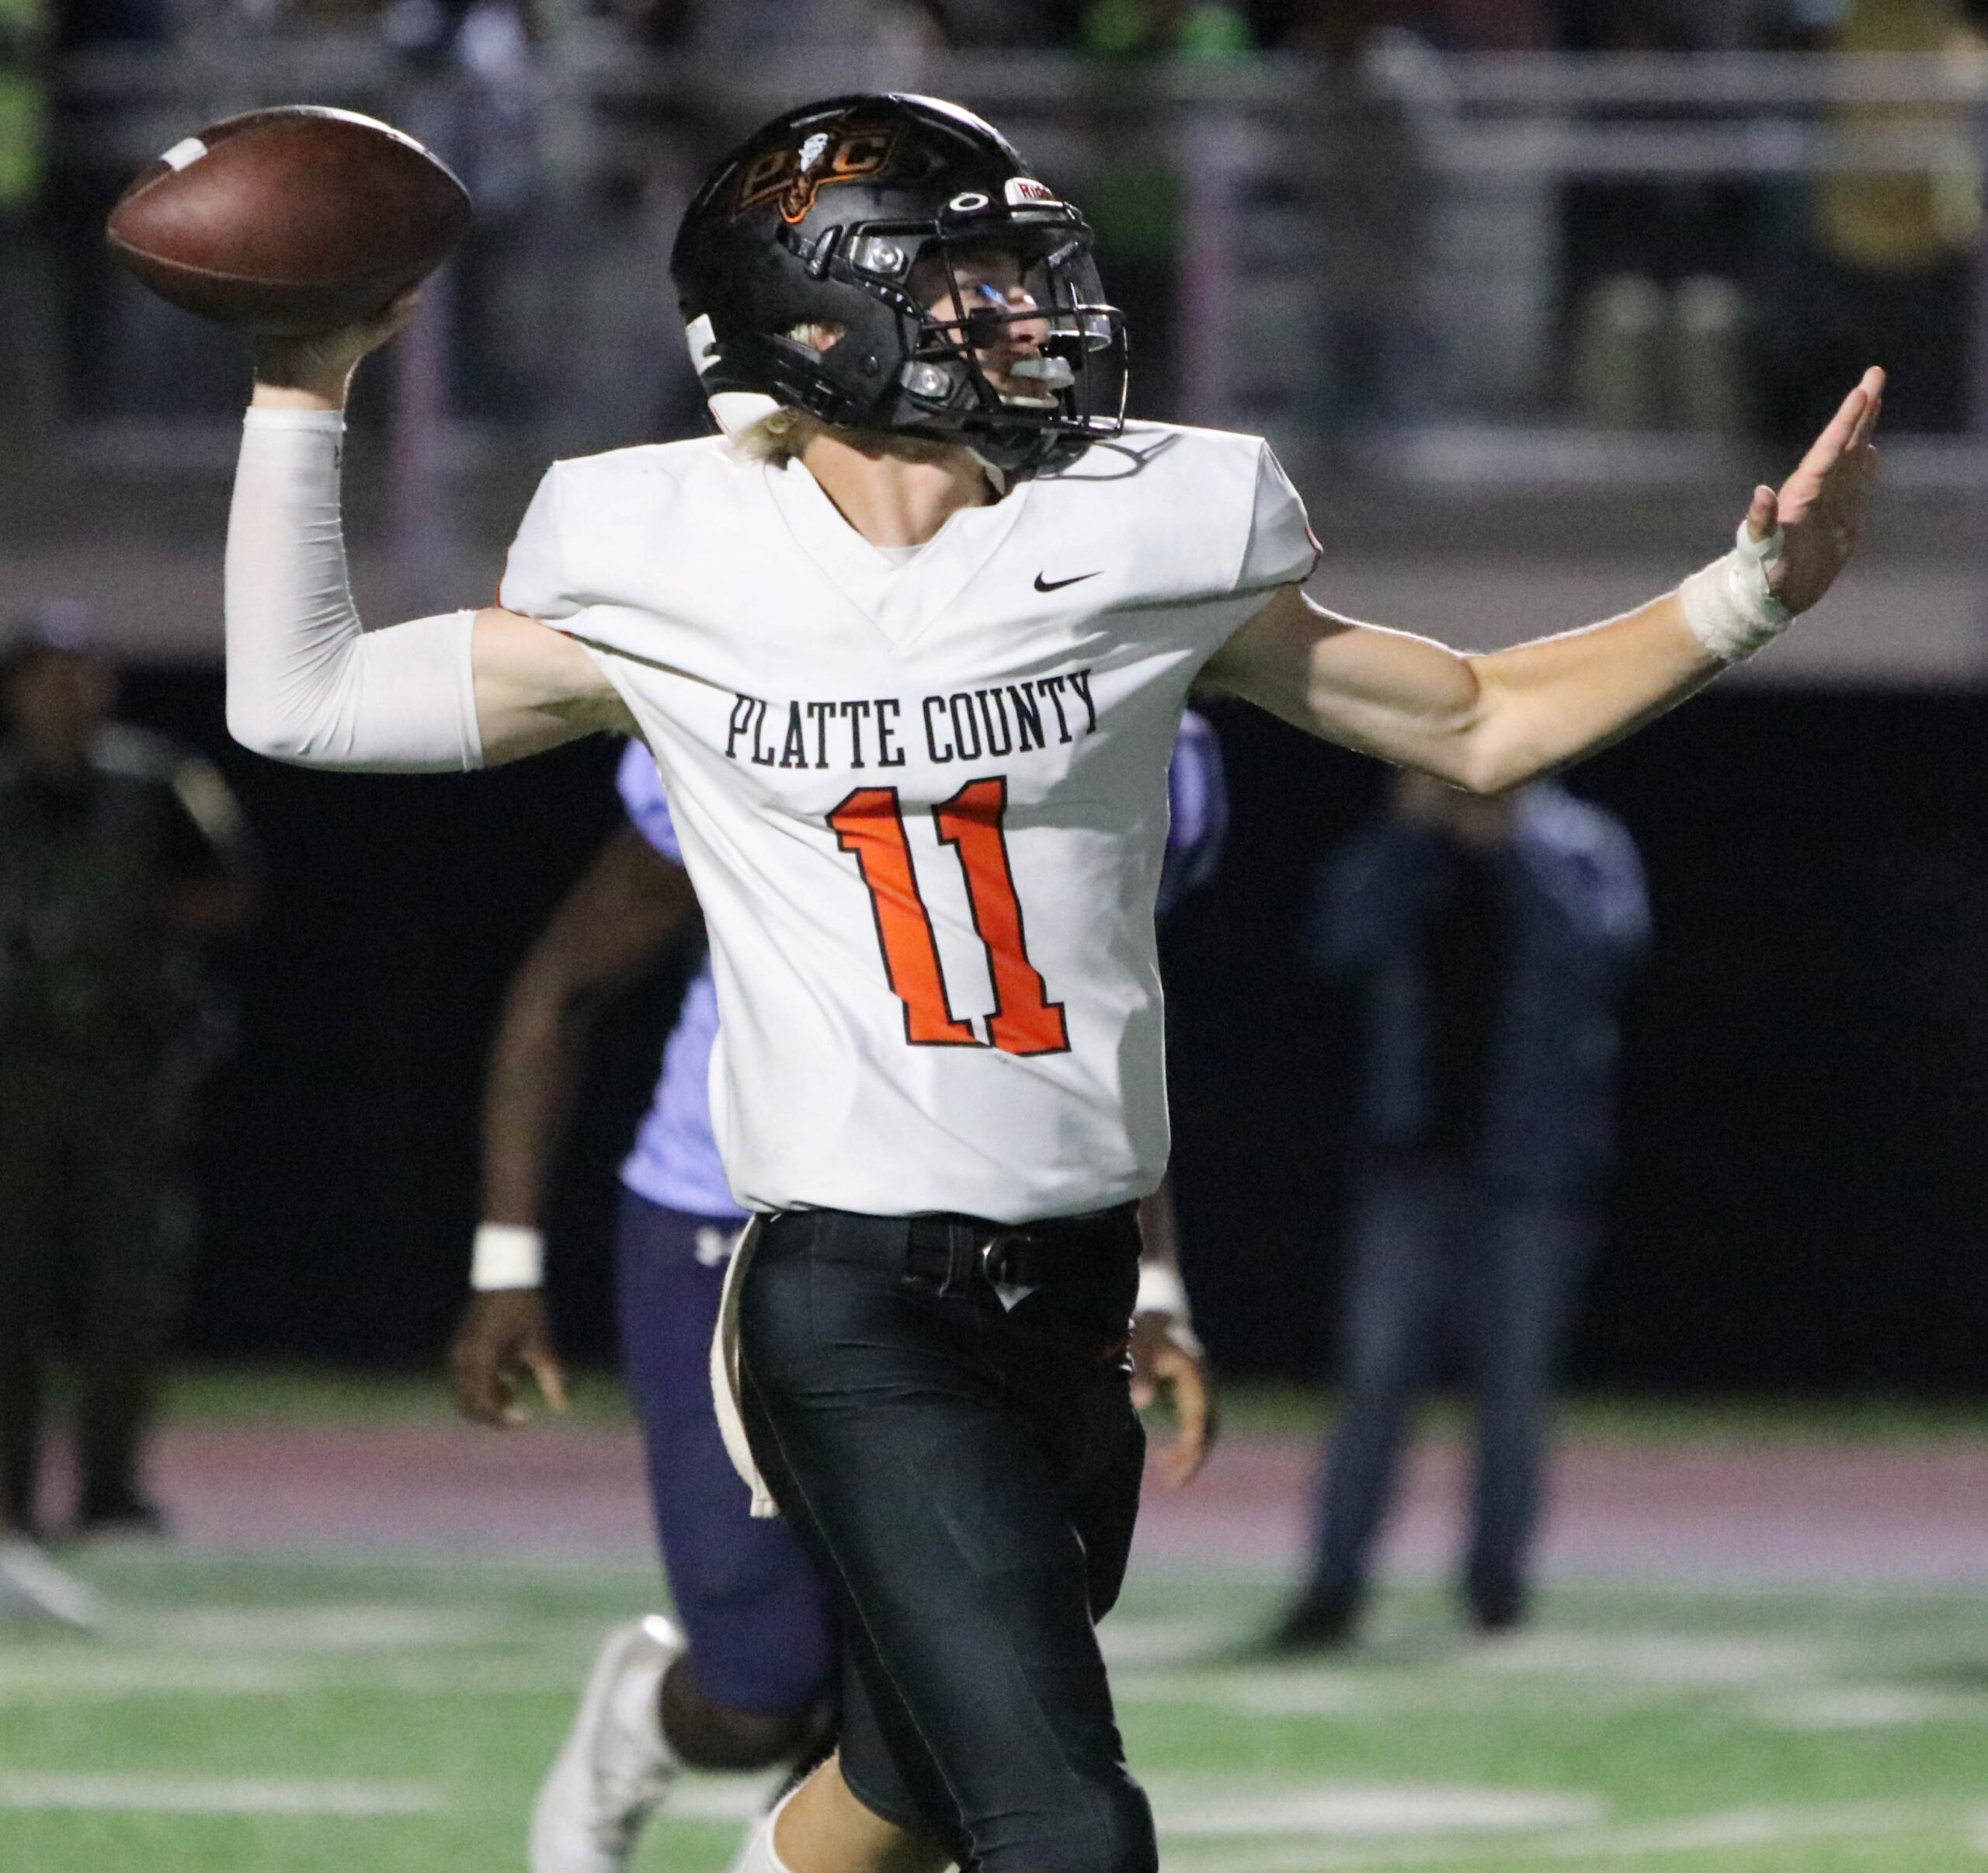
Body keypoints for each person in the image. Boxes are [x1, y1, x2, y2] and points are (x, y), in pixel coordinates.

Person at [220, 89, 1878, 1873]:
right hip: (850, 1294)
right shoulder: (663, 562)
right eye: (969, 280)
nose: (1028, 313)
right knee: (1062, 1822)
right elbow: (303, 698)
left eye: (1022, 272)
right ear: (814, 320)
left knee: (903, 1798)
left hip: (1067, 1278)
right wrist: (300, 390)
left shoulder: (1141, 533)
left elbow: (1477, 720)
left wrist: (1747, 593)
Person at [450, 715, 1224, 1873]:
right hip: (747, 1220)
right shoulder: (769, 700)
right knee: (765, 1689)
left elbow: (1097, 1024)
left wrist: (1153, 1281)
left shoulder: (1150, 730)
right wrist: (507, 1262)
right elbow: (561, 987)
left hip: (1009, 1244)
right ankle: (642, 1719)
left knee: (932, 1705)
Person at [1272, 772, 1649, 1651]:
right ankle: (1334, 1586)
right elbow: (1339, 939)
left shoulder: (1579, 844)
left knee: (1513, 1390)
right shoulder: (1413, 850)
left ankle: (1495, 1588)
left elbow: (1604, 949)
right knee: (1373, 1385)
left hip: (1530, 1172)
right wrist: (1407, 835)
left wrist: (1511, 849)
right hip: (1412, 1165)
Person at [0, 604, 251, 1543]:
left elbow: (232, 890)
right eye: (47, 676)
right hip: (17, 1069)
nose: (67, 694)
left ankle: (110, 1487)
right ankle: (10, 1490)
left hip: (124, 1068)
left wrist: (133, 926)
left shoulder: (157, 784)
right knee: (11, 1286)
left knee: (128, 1292)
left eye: (82, 673)